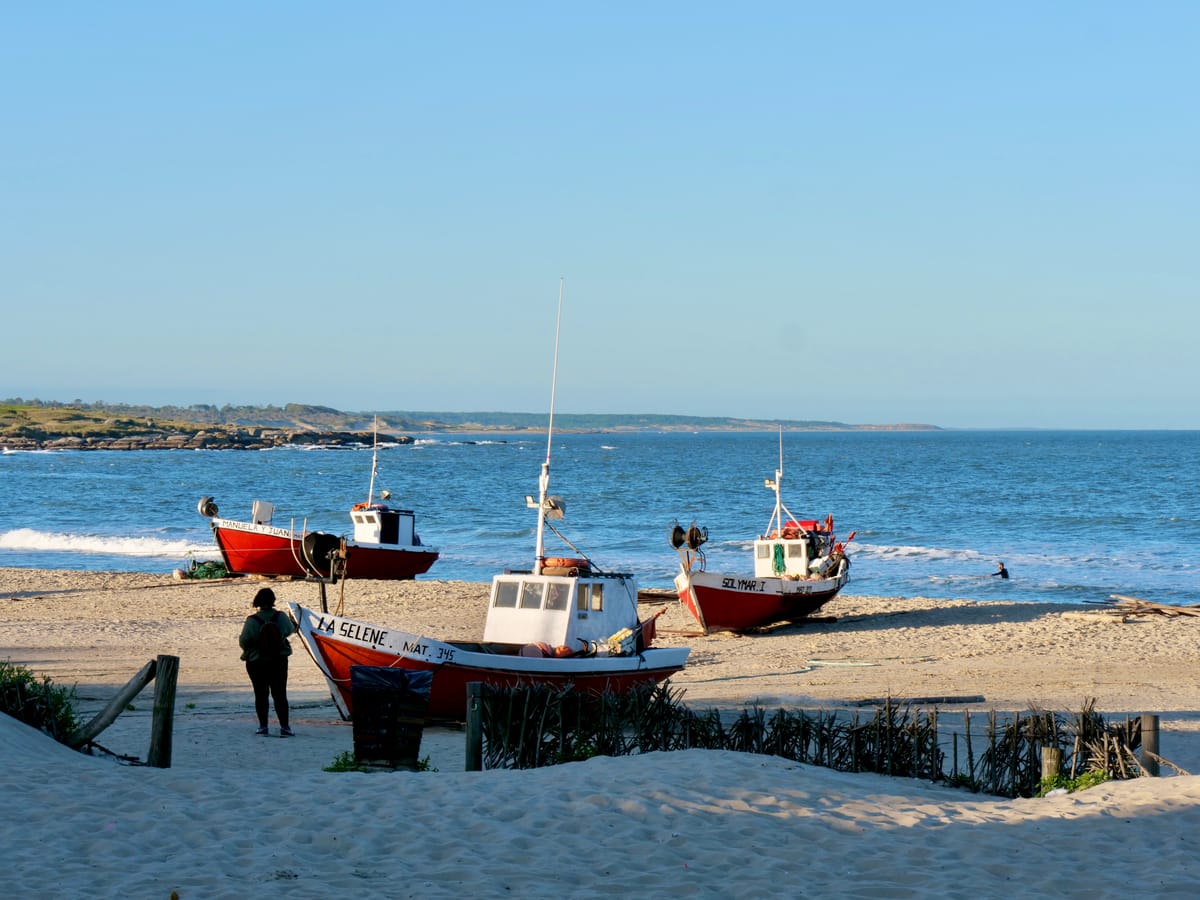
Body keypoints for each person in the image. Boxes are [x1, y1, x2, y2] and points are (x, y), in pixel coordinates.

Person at [239, 587, 296, 736]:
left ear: (257, 601)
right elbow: (290, 630)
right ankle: (285, 727)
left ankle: (263, 727)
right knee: (280, 694)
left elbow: (244, 641)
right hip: (278, 660)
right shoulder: (281, 617)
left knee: (261, 694)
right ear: (273, 601)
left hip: (257, 662)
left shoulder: (252, 620)